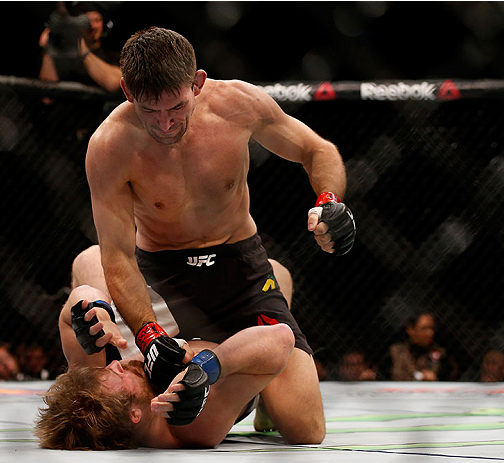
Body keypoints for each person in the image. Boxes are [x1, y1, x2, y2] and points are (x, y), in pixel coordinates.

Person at [69, 26, 356, 445]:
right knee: (94, 265)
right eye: (152, 112)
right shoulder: (110, 145)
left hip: (242, 269)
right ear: (128, 91)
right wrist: (149, 335)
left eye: (177, 107)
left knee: (305, 431)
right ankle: (247, 365)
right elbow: (117, 256)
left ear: (198, 83)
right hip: (166, 274)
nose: (166, 124)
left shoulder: (238, 105)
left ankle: (261, 379)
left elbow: (318, 149)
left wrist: (330, 201)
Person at [35, 287, 297, 450]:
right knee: (305, 429)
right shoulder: (190, 425)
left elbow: (80, 295)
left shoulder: (94, 381)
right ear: (134, 414)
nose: (115, 364)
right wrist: (206, 367)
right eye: (118, 374)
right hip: (237, 339)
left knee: (90, 257)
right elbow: (280, 339)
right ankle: (267, 402)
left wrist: (97, 312)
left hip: (168, 328)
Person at [38, 1, 121, 92]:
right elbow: (47, 96)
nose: (92, 26)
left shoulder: (113, 56)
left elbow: (114, 83)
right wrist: (48, 48)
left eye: (97, 20)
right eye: (87, 21)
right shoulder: (65, 55)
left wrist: (82, 47)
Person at [388, 312, 456, 381]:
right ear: (411, 330)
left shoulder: (441, 354)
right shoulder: (395, 352)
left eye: (432, 328)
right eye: (424, 328)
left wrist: (436, 378)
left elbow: (452, 376)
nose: (430, 333)